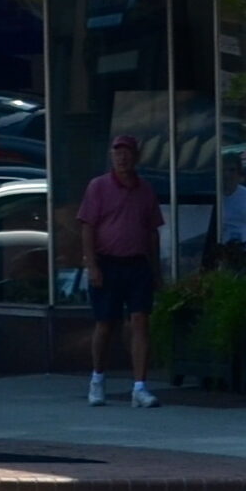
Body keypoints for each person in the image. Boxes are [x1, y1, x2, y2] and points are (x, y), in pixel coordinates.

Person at [77, 132, 164, 406]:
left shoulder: (145, 190)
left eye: (127, 152)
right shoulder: (98, 187)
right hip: (107, 261)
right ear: (112, 156)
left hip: (137, 263)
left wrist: (156, 270)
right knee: (105, 323)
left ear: (135, 156)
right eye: (117, 152)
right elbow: (87, 226)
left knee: (140, 321)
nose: (122, 157)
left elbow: (152, 232)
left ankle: (140, 386)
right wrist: (92, 265)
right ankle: (98, 378)